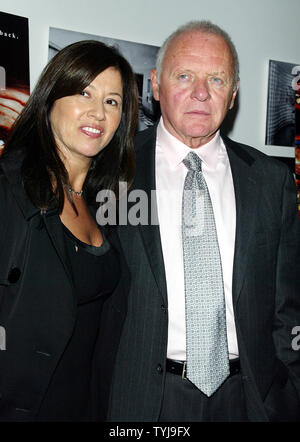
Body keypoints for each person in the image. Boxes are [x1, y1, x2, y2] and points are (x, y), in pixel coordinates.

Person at [108, 20, 300, 422]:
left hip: (249, 400)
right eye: (184, 76)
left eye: (216, 78)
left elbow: (287, 309)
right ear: (157, 86)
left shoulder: (270, 181)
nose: (200, 93)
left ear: (233, 94)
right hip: (146, 401)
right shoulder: (113, 173)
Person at [0, 39, 138, 421]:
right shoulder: (9, 190)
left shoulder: (107, 205)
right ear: (49, 101)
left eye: (112, 101)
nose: (98, 113)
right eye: (84, 93)